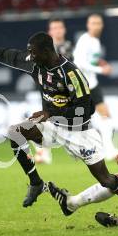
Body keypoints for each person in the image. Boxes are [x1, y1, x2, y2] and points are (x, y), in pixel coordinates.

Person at [0, 32, 118, 208]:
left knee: (106, 180)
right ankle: (36, 183)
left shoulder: (71, 74)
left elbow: (85, 110)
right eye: (30, 52)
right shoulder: (36, 64)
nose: (31, 57)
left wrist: (51, 113)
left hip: (79, 132)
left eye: (34, 53)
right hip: (52, 127)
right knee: (15, 132)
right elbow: (14, 57)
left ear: (46, 51)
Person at [73, 14, 118, 160]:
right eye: (93, 23)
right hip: (81, 84)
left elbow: (91, 60)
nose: (96, 26)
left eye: (98, 23)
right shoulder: (85, 40)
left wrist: (100, 63)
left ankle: (109, 149)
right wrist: (102, 70)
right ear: (88, 25)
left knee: (105, 114)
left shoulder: (95, 41)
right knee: (80, 119)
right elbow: (80, 62)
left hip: (92, 83)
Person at [33, 18, 75, 164]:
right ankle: (43, 152)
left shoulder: (69, 47)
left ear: (64, 30)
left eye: (59, 27)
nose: (57, 30)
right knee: (42, 119)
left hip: (64, 92)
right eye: (54, 28)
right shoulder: (42, 49)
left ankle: (75, 148)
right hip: (46, 90)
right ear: (50, 32)